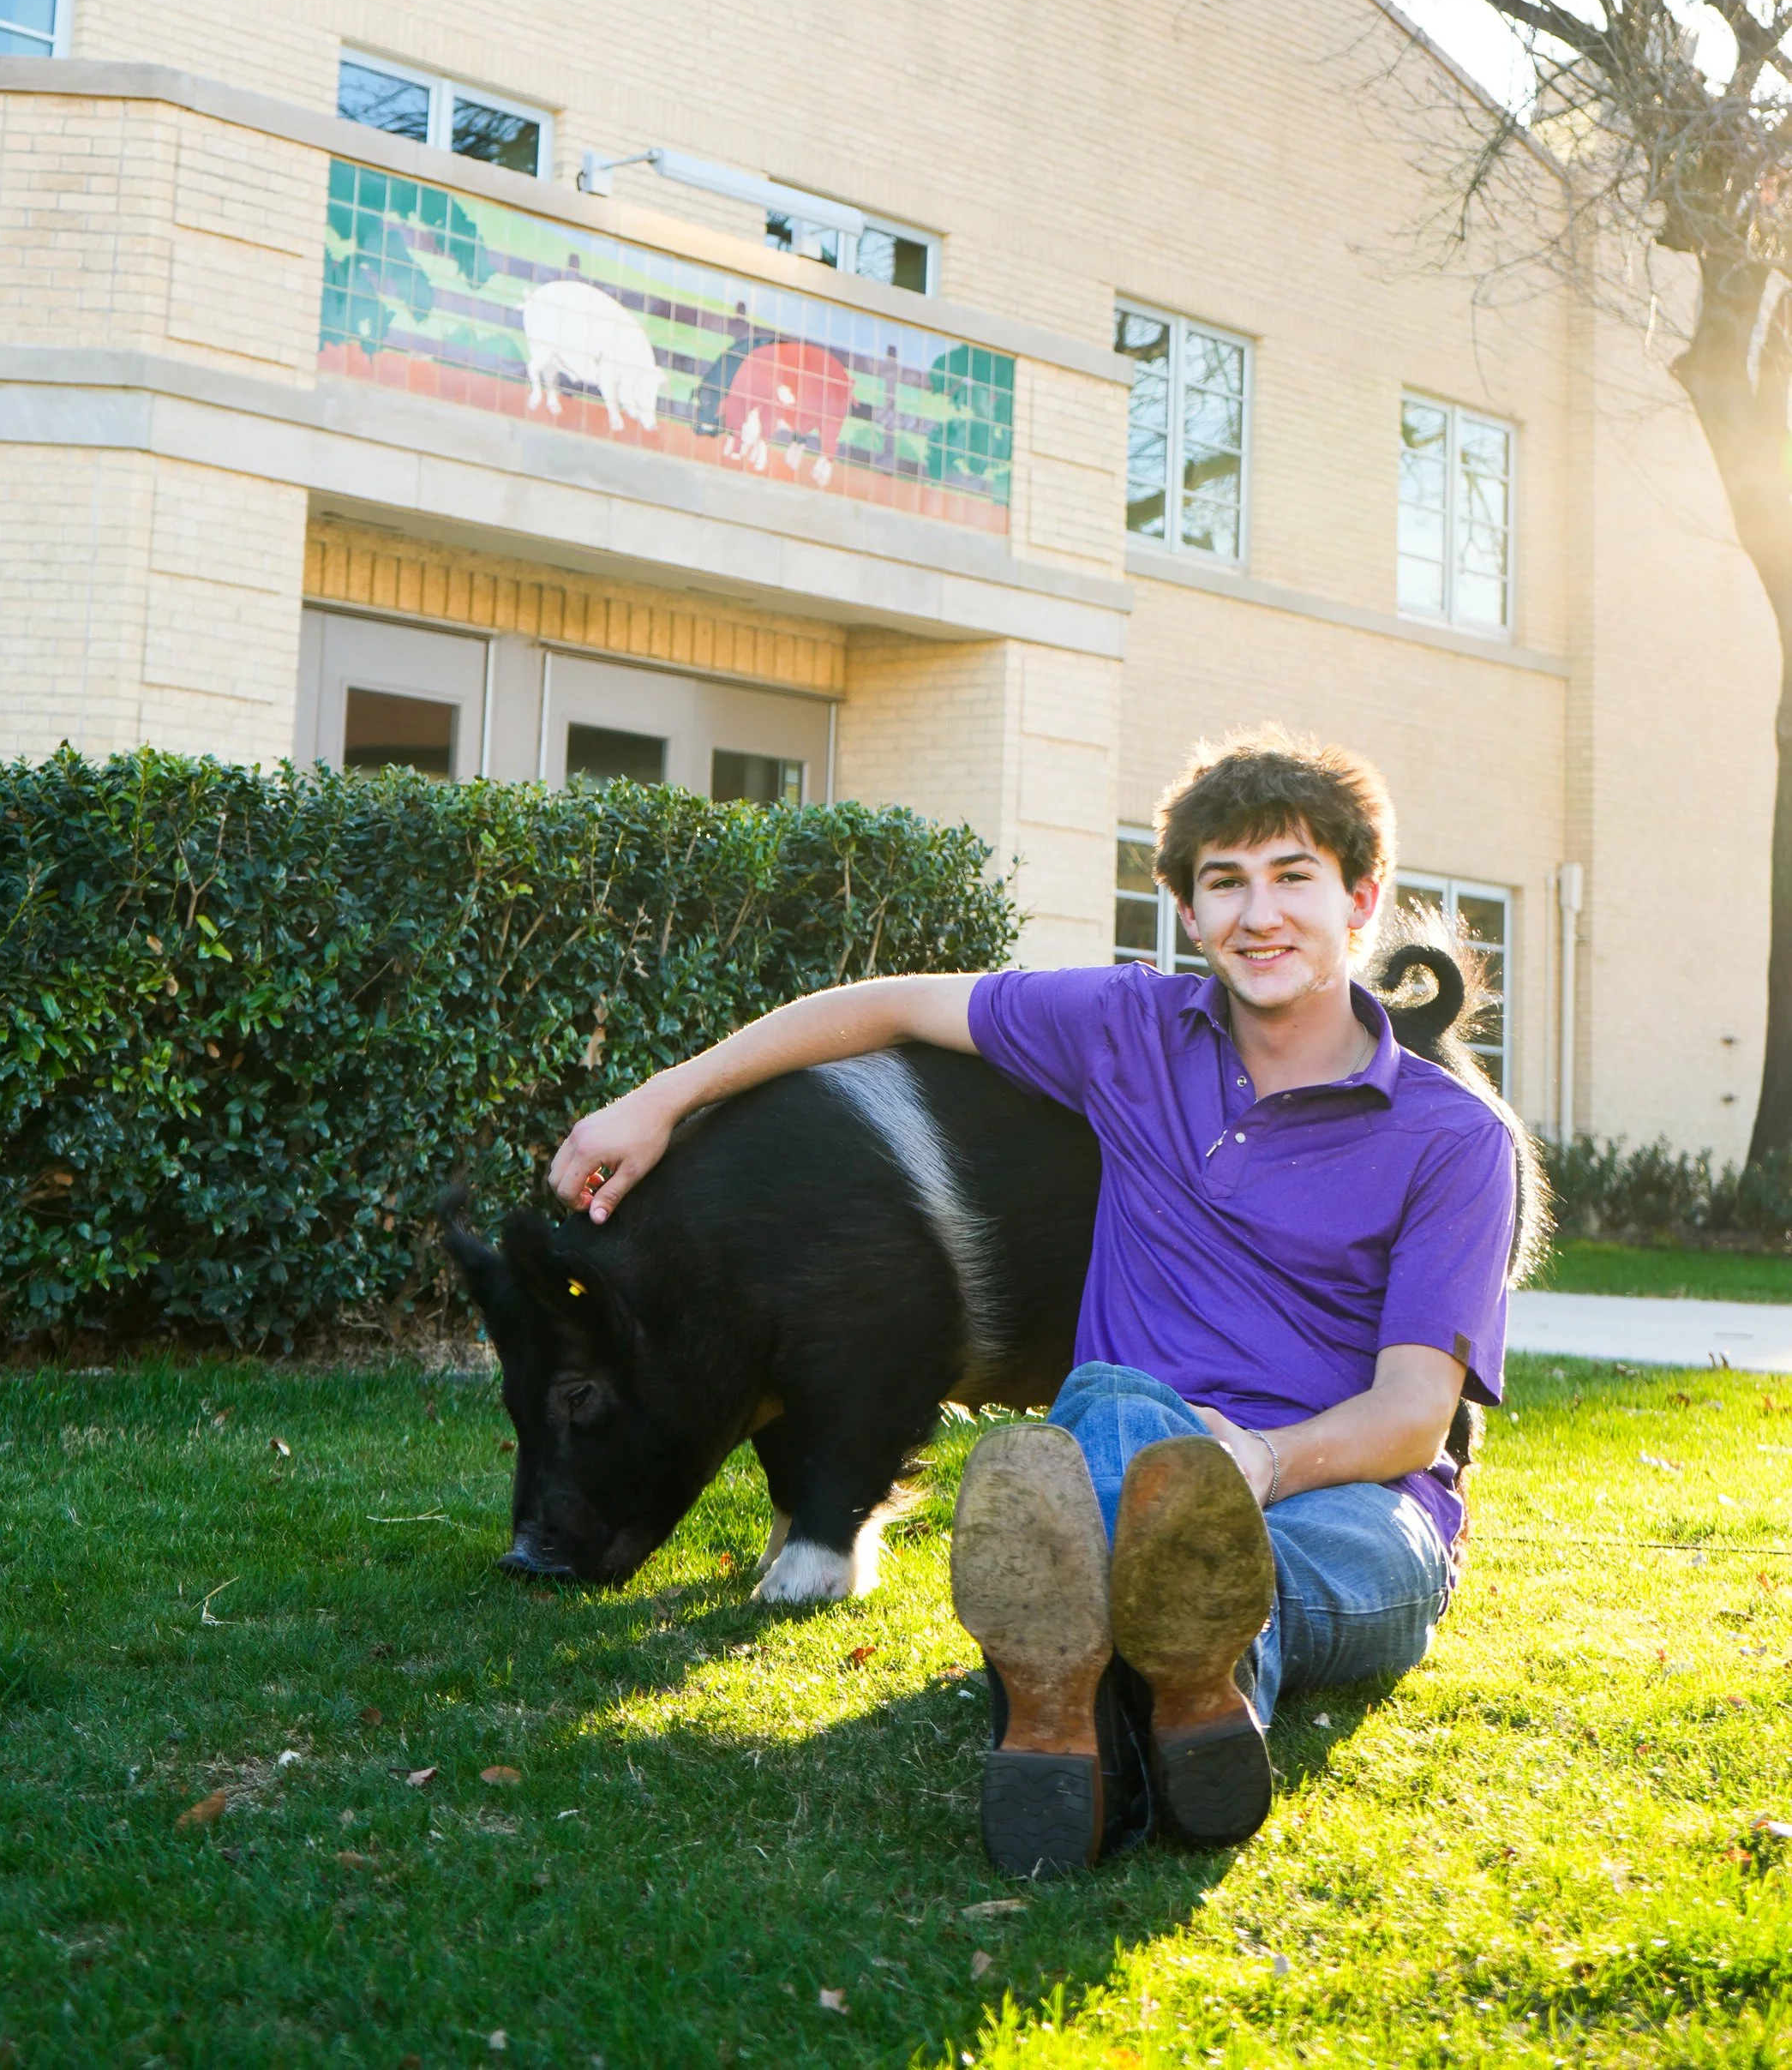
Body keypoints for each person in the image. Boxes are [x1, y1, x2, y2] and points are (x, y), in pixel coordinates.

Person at [546, 731, 1530, 1872]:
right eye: (1225, 881)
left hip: (1349, 1494)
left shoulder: (1457, 1139)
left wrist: (1254, 1465)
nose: (1259, 913)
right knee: (1112, 1403)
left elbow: (1413, 1414)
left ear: (1360, 899)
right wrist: (662, 1099)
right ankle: (1178, 1708)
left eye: (1293, 876)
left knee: (1223, 1552)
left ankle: (1091, 1697)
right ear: (1187, 913)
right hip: (1132, 1439)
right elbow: (891, 1007)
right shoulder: (1128, 1031)